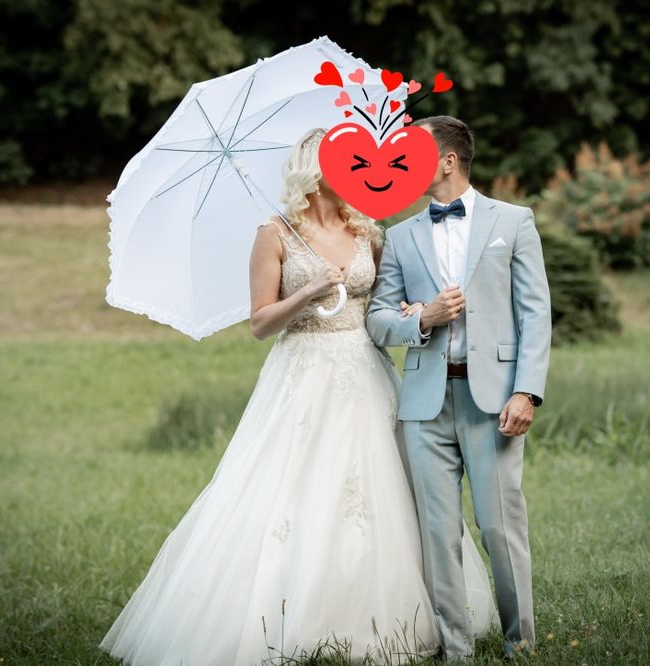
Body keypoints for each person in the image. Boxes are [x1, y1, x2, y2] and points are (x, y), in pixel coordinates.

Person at [98, 127, 497, 666]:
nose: (360, 172)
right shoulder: (275, 234)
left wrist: (409, 310)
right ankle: (289, 619)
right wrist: (308, 291)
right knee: (296, 488)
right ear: (315, 168)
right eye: (348, 162)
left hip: (367, 370)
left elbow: (384, 307)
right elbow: (260, 322)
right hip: (303, 370)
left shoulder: (368, 230)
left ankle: (397, 617)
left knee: (383, 490)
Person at [366, 115, 552, 661]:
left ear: (448, 161)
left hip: (493, 401)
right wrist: (423, 318)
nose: (402, 165)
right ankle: (455, 648)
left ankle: (521, 643)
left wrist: (527, 391)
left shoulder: (513, 221)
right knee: (437, 532)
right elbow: (378, 319)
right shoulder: (400, 235)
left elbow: (535, 313)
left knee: (499, 527)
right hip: (424, 402)